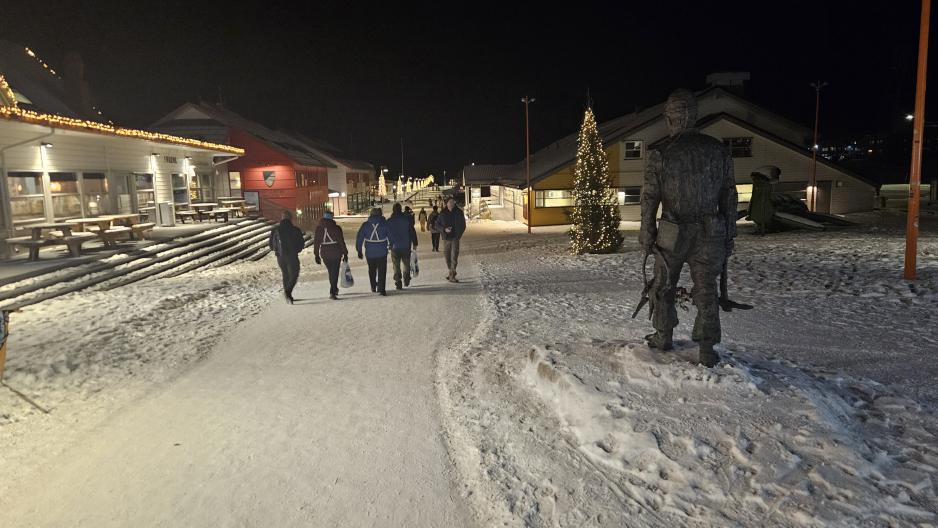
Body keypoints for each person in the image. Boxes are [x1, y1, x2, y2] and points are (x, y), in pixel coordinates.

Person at [639, 89, 738, 368]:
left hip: (673, 232)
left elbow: (649, 198)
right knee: (707, 290)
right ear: (694, 116)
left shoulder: (660, 153)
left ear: (669, 118)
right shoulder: (718, 151)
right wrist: (729, 234)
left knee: (663, 285)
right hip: (711, 232)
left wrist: (647, 232)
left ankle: (663, 335)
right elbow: (729, 196)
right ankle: (706, 348)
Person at [268, 210, 306, 304]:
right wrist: (296, 250)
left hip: (280, 257)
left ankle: (288, 296)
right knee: (294, 274)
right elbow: (301, 243)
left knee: (285, 274)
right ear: (290, 218)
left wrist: (277, 251)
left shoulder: (275, 229)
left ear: (282, 218)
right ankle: (288, 292)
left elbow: (271, 245)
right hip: (292, 256)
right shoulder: (295, 229)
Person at [356, 207, 392, 296]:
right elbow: (391, 236)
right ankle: (381, 289)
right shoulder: (385, 224)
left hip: (370, 252)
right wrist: (391, 244)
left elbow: (359, 238)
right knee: (382, 271)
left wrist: (359, 250)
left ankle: (373, 286)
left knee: (371, 270)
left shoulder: (365, 225)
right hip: (382, 252)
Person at [313, 210, 349, 300]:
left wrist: (316, 255)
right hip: (336, 253)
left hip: (325, 253)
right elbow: (341, 242)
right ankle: (333, 291)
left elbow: (316, 243)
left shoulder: (319, 229)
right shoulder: (336, 228)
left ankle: (334, 289)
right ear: (332, 217)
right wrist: (345, 253)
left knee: (331, 272)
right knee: (334, 272)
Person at [387, 203, 418, 290]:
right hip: (406, 246)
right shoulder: (406, 220)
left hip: (395, 247)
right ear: (401, 209)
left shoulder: (389, 221)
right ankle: (406, 278)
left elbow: (386, 233)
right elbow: (412, 231)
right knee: (406, 264)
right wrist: (415, 243)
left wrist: (388, 243)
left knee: (396, 265)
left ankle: (398, 281)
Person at [435, 197, 466, 282]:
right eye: (450, 202)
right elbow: (437, 225)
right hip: (446, 238)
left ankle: (452, 275)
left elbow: (463, 225)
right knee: (447, 257)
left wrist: (458, 235)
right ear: (447, 203)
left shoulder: (459, 212)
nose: (452, 203)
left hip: (455, 238)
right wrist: (444, 229)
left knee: (454, 257)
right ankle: (451, 271)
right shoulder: (443, 213)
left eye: (453, 202)